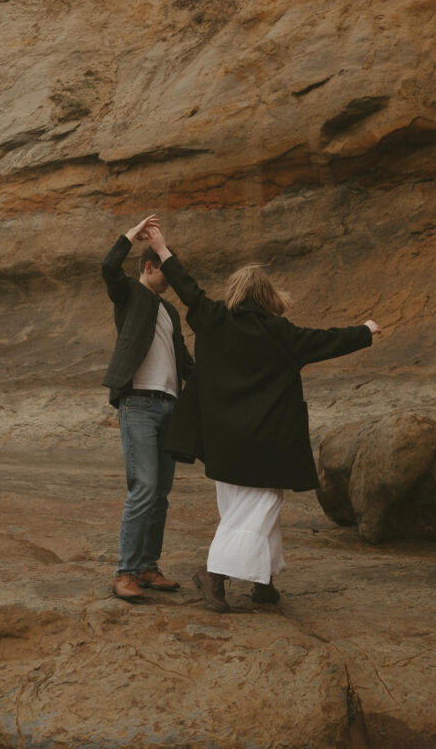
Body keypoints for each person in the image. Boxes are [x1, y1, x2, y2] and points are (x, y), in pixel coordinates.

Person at [145, 224, 380, 614]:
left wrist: (163, 249)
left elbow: (187, 287)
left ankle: (263, 581)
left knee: (239, 508)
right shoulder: (280, 332)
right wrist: (365, 331)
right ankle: (214, 575)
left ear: (235, 293)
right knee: (260, 508)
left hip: (221, 442)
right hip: (266, 443)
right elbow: (328, 340)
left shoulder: (212, 317)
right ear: (267, 296)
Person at [101, 214, 194, 603]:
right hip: (138, 402)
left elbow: (185, 361)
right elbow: (108, 266)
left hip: (169, 407)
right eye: (164, 275)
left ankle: (148, 567)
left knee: (161, 493)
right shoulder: (130, 294)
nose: (168, 284)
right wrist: (131, 234)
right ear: (148, 267)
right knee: (144, 488)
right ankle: (125, 571)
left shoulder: (170, 312)